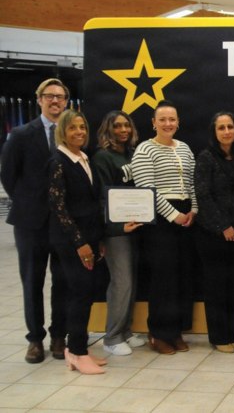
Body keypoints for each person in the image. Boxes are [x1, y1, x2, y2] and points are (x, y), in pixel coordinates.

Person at [1, 78, 68, 363]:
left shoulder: (72, 133)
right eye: (49, 96)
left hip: (64, 223)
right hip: (31, 223)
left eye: (61, 97)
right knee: (32, 282)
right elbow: (8, 176)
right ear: (39, 99)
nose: (55, 101)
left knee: (63, 282)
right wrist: (30, 203)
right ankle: (35, 339)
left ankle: (58, 336)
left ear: (66, 101)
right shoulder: (20, 134)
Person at [48, 110, 120, 374]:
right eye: (72, 128)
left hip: (89, 236)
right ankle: (76, 351)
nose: (79, 132)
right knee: (79, 294)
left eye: (82, 127)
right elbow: (59, 208)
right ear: (62, 132)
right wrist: (80, 242)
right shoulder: (58, 161)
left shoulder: (83, 158)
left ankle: (78, 347)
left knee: (86, 293)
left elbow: (91, 203)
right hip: (70, 241)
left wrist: (97, 238)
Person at [131, 100, 197, 355]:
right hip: (161, 222)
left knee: (181, 277)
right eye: (163, 120)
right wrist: (174, 215)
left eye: (172, 119)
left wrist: (193, 211)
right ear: (153, 123)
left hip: (186, 216)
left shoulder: (185, 148)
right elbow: (147, 190)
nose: (168, 124)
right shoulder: (145, 150)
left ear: (178, 122)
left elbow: (193, 182)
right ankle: (158, 333)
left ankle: (176, 331)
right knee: (163, 280)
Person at [194, 111, 234, 353]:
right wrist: (224, 227)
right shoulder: (206, 158)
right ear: (214, 132)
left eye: (230, 126)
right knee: (216, 287)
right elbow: (203, 197)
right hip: (213, 234)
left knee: (233, 285)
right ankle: (218, 337)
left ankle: (232, 333)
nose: (227, 131)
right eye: (221, 128)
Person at [91, 110, 145, 356]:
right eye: (118, 126)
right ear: (108, 129)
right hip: (116, 230)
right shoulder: (102, 158)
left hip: (135, 226)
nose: (123, 130)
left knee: (131, 281)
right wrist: (113, 228)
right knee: (121, 282)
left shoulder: (133, 154)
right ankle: (112, 337)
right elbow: (102, 198)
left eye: (127, 126)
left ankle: (125, 330)